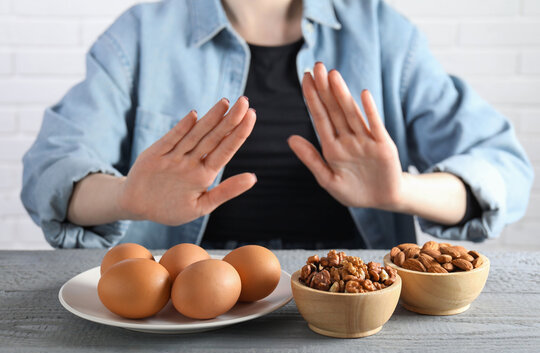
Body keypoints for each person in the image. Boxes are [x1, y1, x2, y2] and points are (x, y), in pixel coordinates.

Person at [21, 0, 533, 249]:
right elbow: (50, 167)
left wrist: (401, 191)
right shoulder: (141, 34)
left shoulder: (383, 33)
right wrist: (128, 196)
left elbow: (502, 168)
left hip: (350, 316)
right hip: (181, 323)